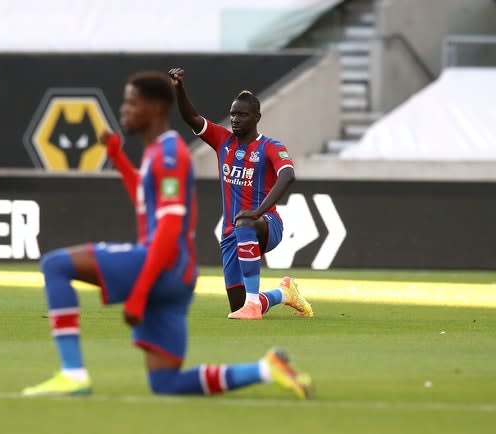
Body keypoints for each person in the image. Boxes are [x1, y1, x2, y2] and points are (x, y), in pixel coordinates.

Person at [22, 71, 312, 399]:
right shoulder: (174, 150)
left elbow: (171, 229)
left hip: (181, 257)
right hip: (189, 264)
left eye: (132, 103)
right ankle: (267, 362)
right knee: (166, 383)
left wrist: (140, 289)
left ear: (156, 108)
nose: (124, 110)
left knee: (56, 265)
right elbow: (145, 200)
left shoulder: (171, 155)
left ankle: (73, 374)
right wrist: (117, 156)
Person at [168, 67, 313, 320]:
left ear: (257, 117)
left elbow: (288, 175)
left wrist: (259, 212)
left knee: (245, 222)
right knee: (238, 305)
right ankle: (284, 293)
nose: (235, 119)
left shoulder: (270, 147)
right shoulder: (222, 141)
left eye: (242, 115)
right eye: (233, 114)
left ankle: (253, 305)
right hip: (230, 234)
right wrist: (179, 88)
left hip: (266, 224)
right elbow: (191, 117)